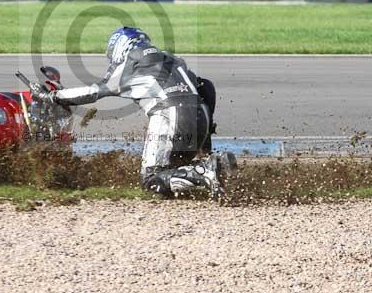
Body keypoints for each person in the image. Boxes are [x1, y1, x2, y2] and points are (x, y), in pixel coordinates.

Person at [34, 26, 237, 198]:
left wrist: (52, 96)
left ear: (121, 47)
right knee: (171, 173)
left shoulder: (131, 63)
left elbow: (93, 92)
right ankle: (211, 166)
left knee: (151, 181)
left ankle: (203, 171)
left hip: (170, 115)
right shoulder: (172, 59)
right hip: (199, 115)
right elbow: (207, 88)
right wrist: (206, 142)